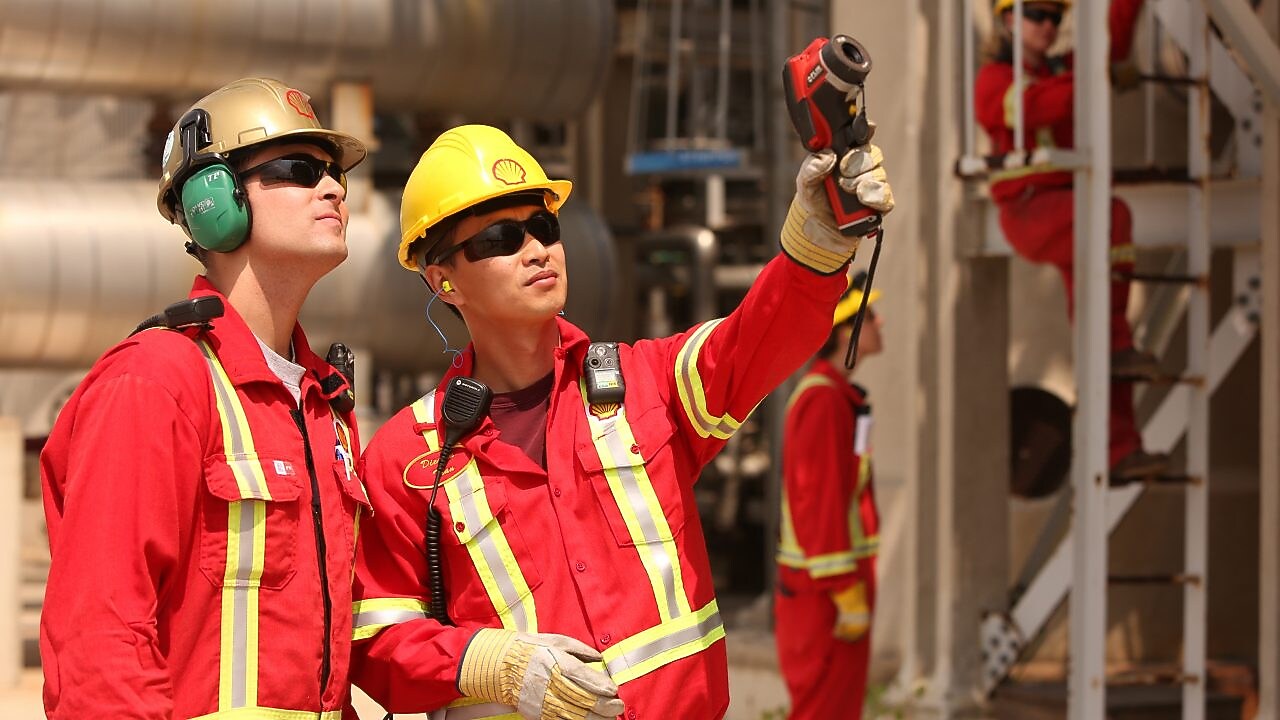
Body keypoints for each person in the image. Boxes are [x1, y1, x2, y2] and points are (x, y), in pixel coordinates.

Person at [348, 124, 894, 720]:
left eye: (544, 227)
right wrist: (485, 661)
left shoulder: (646, 386)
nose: (537, 250)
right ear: (441, 279)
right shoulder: (408, 455)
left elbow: (759, 339)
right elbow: (378, 639)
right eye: (501, 238)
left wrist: (816, 242)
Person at [39, 77, 370, 719]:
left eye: (336, 175)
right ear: (213, 198)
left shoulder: (322, 405)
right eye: (298, 169)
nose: (332, 189)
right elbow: (100, 641)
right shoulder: (155, 383)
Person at [975, 0, 1169, 480]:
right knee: (1113, 216)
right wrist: (1095, 76)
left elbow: (1111, 43)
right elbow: (1044, 104)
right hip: (1031, 211)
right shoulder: (994, 81)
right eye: (1036, 14)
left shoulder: (1062, 70)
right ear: (1007, 19)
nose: (1047, 25)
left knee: (1100, 333)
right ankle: (1117, 350)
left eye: (1054, 18)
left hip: (1066, 208)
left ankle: (1118, 450)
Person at [774, 272, 883, 720]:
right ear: (847, 332)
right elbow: (816, 503)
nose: (881, 324)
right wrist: (844, 589)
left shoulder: (837, 396)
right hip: (827, 597)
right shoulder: (822, 401)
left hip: (832, 591)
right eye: (872, 317)